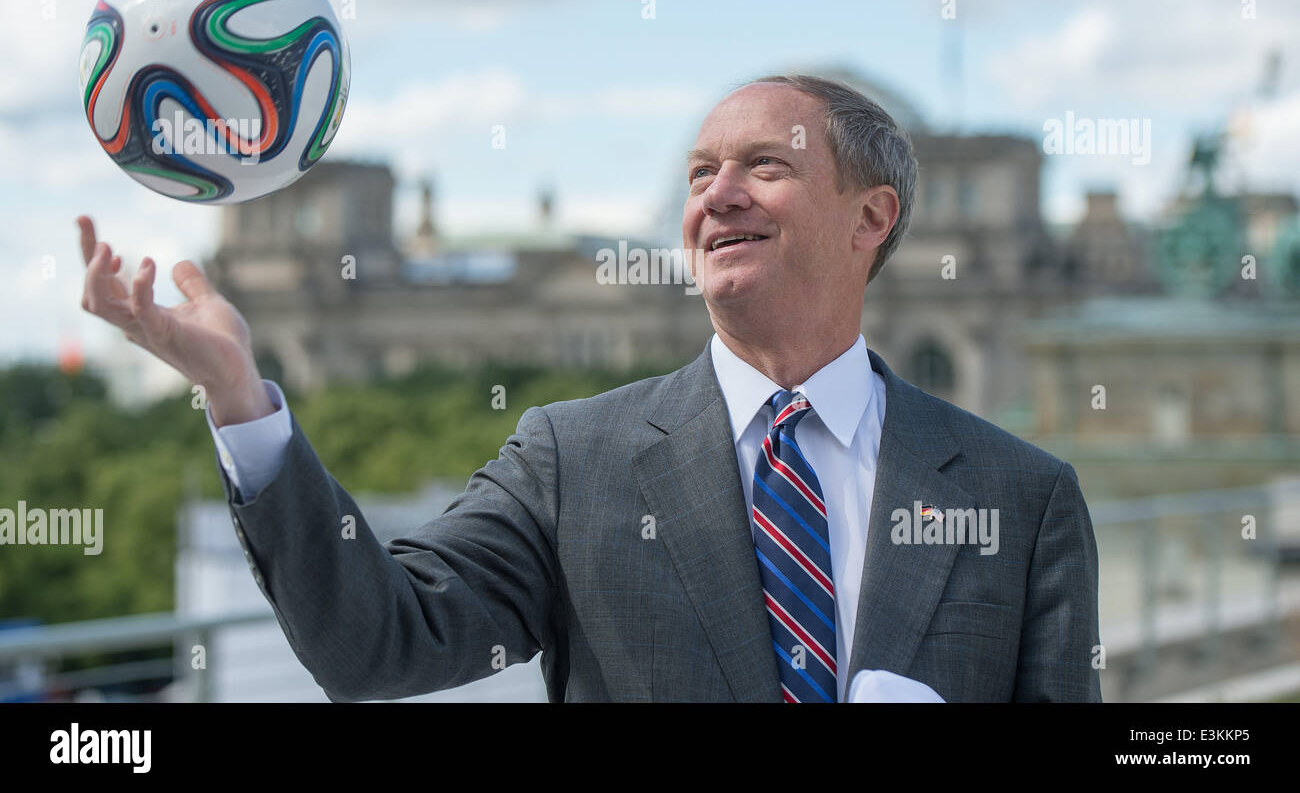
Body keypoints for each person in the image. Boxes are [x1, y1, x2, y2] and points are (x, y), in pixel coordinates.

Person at [77, 74, 1102, 703]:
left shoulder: (1020, 495)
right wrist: (243, 402)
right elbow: (375, 642)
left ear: (870, 218)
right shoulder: (574, 461)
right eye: (700, 173)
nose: (716, 194)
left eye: (763, 166)